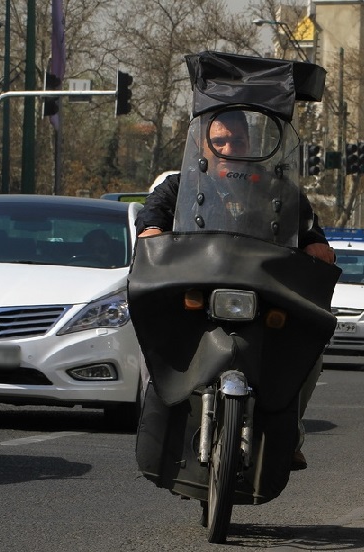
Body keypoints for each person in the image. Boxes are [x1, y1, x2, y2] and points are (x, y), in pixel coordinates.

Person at [135, 109, 335, 471]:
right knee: (157, 338)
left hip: (263, 295)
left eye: (237, 140)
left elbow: (310, 233)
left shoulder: (278, 191)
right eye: (220, 141)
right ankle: (161, 421)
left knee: (310, 349)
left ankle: (288, 432)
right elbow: (152, 216)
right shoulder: (180, 187)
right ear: (202, 146)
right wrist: (151, 231)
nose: (228, 148)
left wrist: (317, 246)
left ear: (251, 145)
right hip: (196, 295)